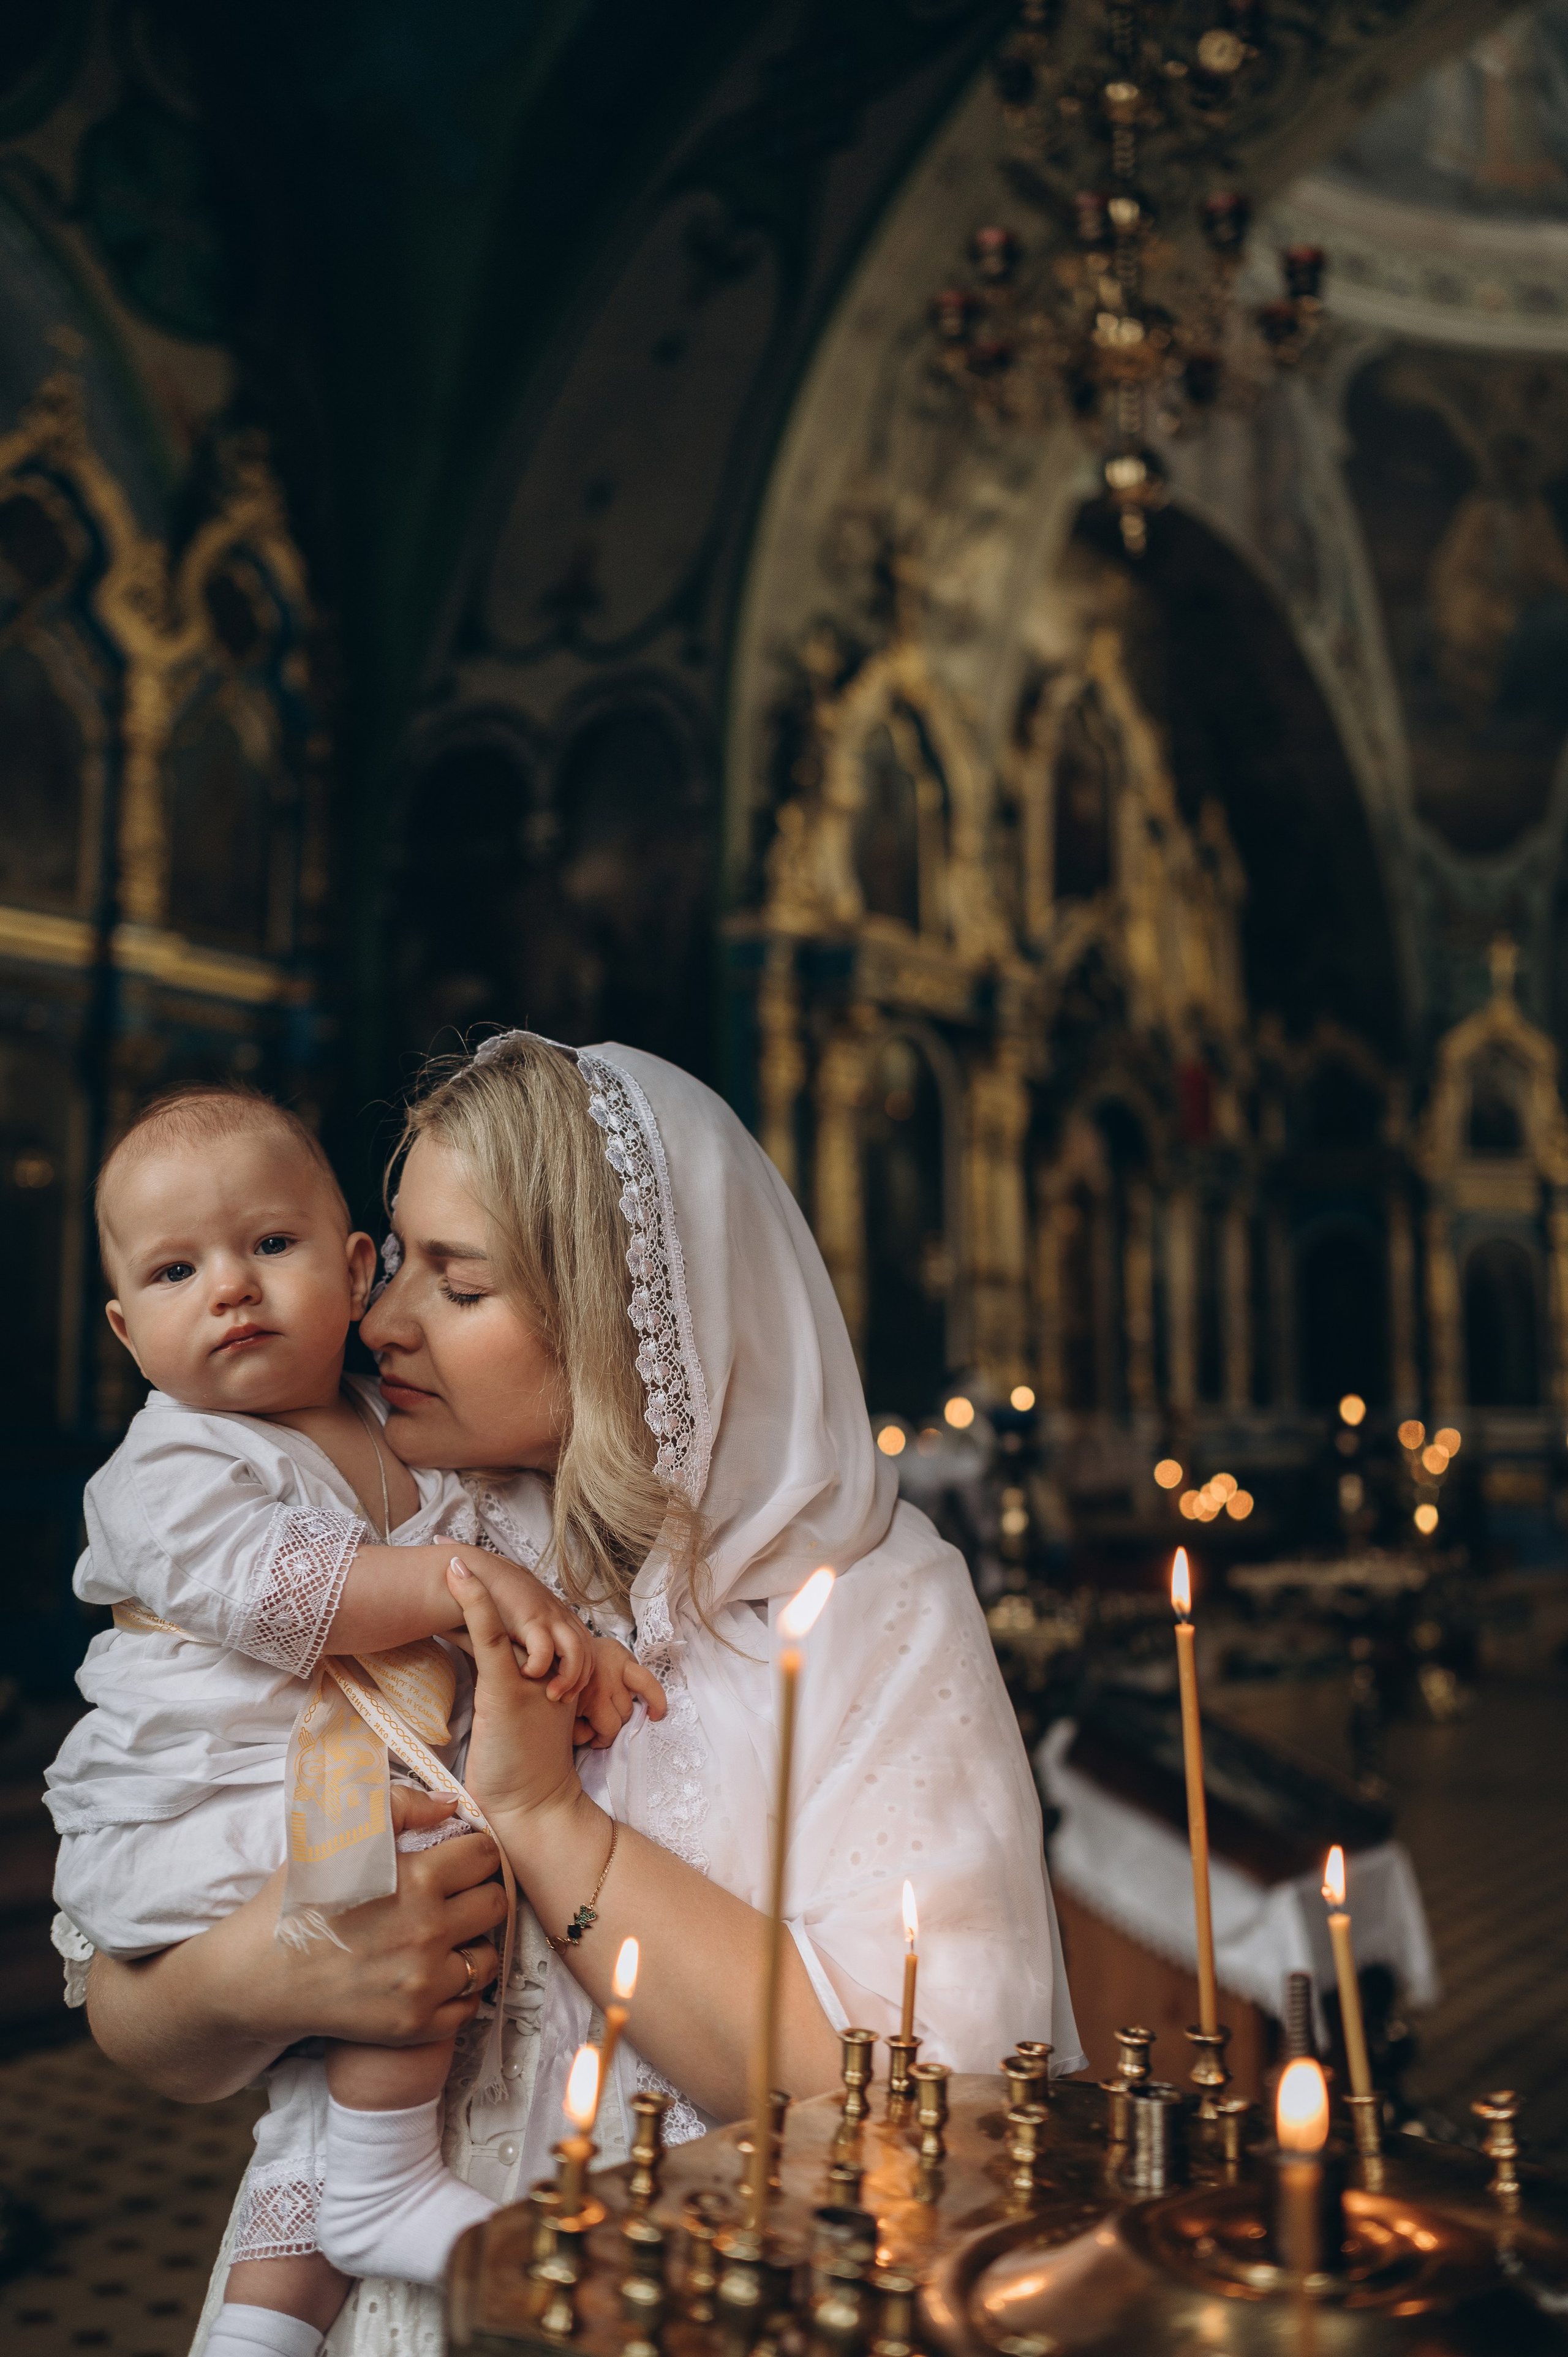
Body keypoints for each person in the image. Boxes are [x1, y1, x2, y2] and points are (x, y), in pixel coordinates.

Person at [85, 1034, 1082, 2357]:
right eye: (399, 1260)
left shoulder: (868, 1598)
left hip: (684, 2301)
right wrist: (264, 1974)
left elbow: (927, 2109)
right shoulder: (409, 1526)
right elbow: (128, 1989)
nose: (378, 1322)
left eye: (458, 1283)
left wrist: (549, 1820)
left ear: (615, 1306)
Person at [46, 1085, 663, 2357]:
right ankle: (380, 2188)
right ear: (125, 1327)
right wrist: (468, 1585)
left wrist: (566, 1640)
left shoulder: (403, 1430)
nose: (230, 1287)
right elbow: (282, 1594)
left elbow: (497, 1595)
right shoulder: (170, 1464)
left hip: (327, 1787)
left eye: (269, 1245)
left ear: (353, 1269)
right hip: (207, 1800)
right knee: (415, 1867)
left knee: (320, 2092)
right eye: (175, 1271)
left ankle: (264, 2325)